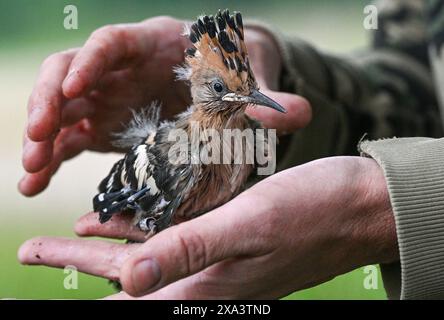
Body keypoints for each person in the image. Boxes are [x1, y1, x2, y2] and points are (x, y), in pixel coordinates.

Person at [17, 0, 444, 299]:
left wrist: (400, 201)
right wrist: (292, 74)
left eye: (250, 90)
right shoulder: (186, 151)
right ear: (199, 88)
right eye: (221, 88)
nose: (252, 100)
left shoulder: (245, 134)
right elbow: (418, 80)